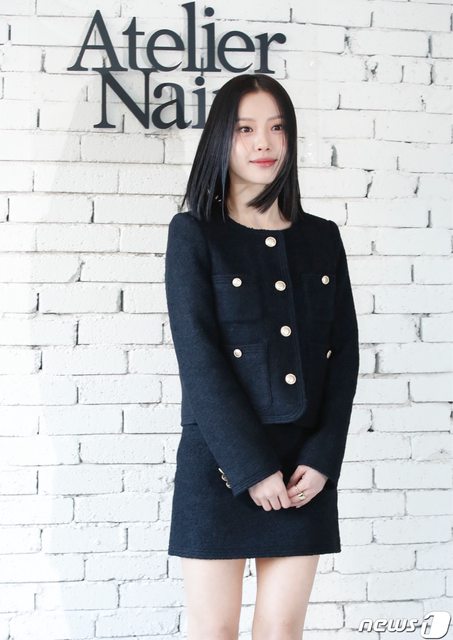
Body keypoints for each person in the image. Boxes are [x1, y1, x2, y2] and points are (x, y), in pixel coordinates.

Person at [164, 73, 360, 639]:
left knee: (281, 631)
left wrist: (323, 459)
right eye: (246, 129)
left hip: (304, 473)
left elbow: (343, 357)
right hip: (218, 462)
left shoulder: (322, 237)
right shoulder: (194, 234)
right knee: (214, 631)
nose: (264, 143)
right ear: (221, 138)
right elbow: (198, 359)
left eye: (277, 128)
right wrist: (250, 468)